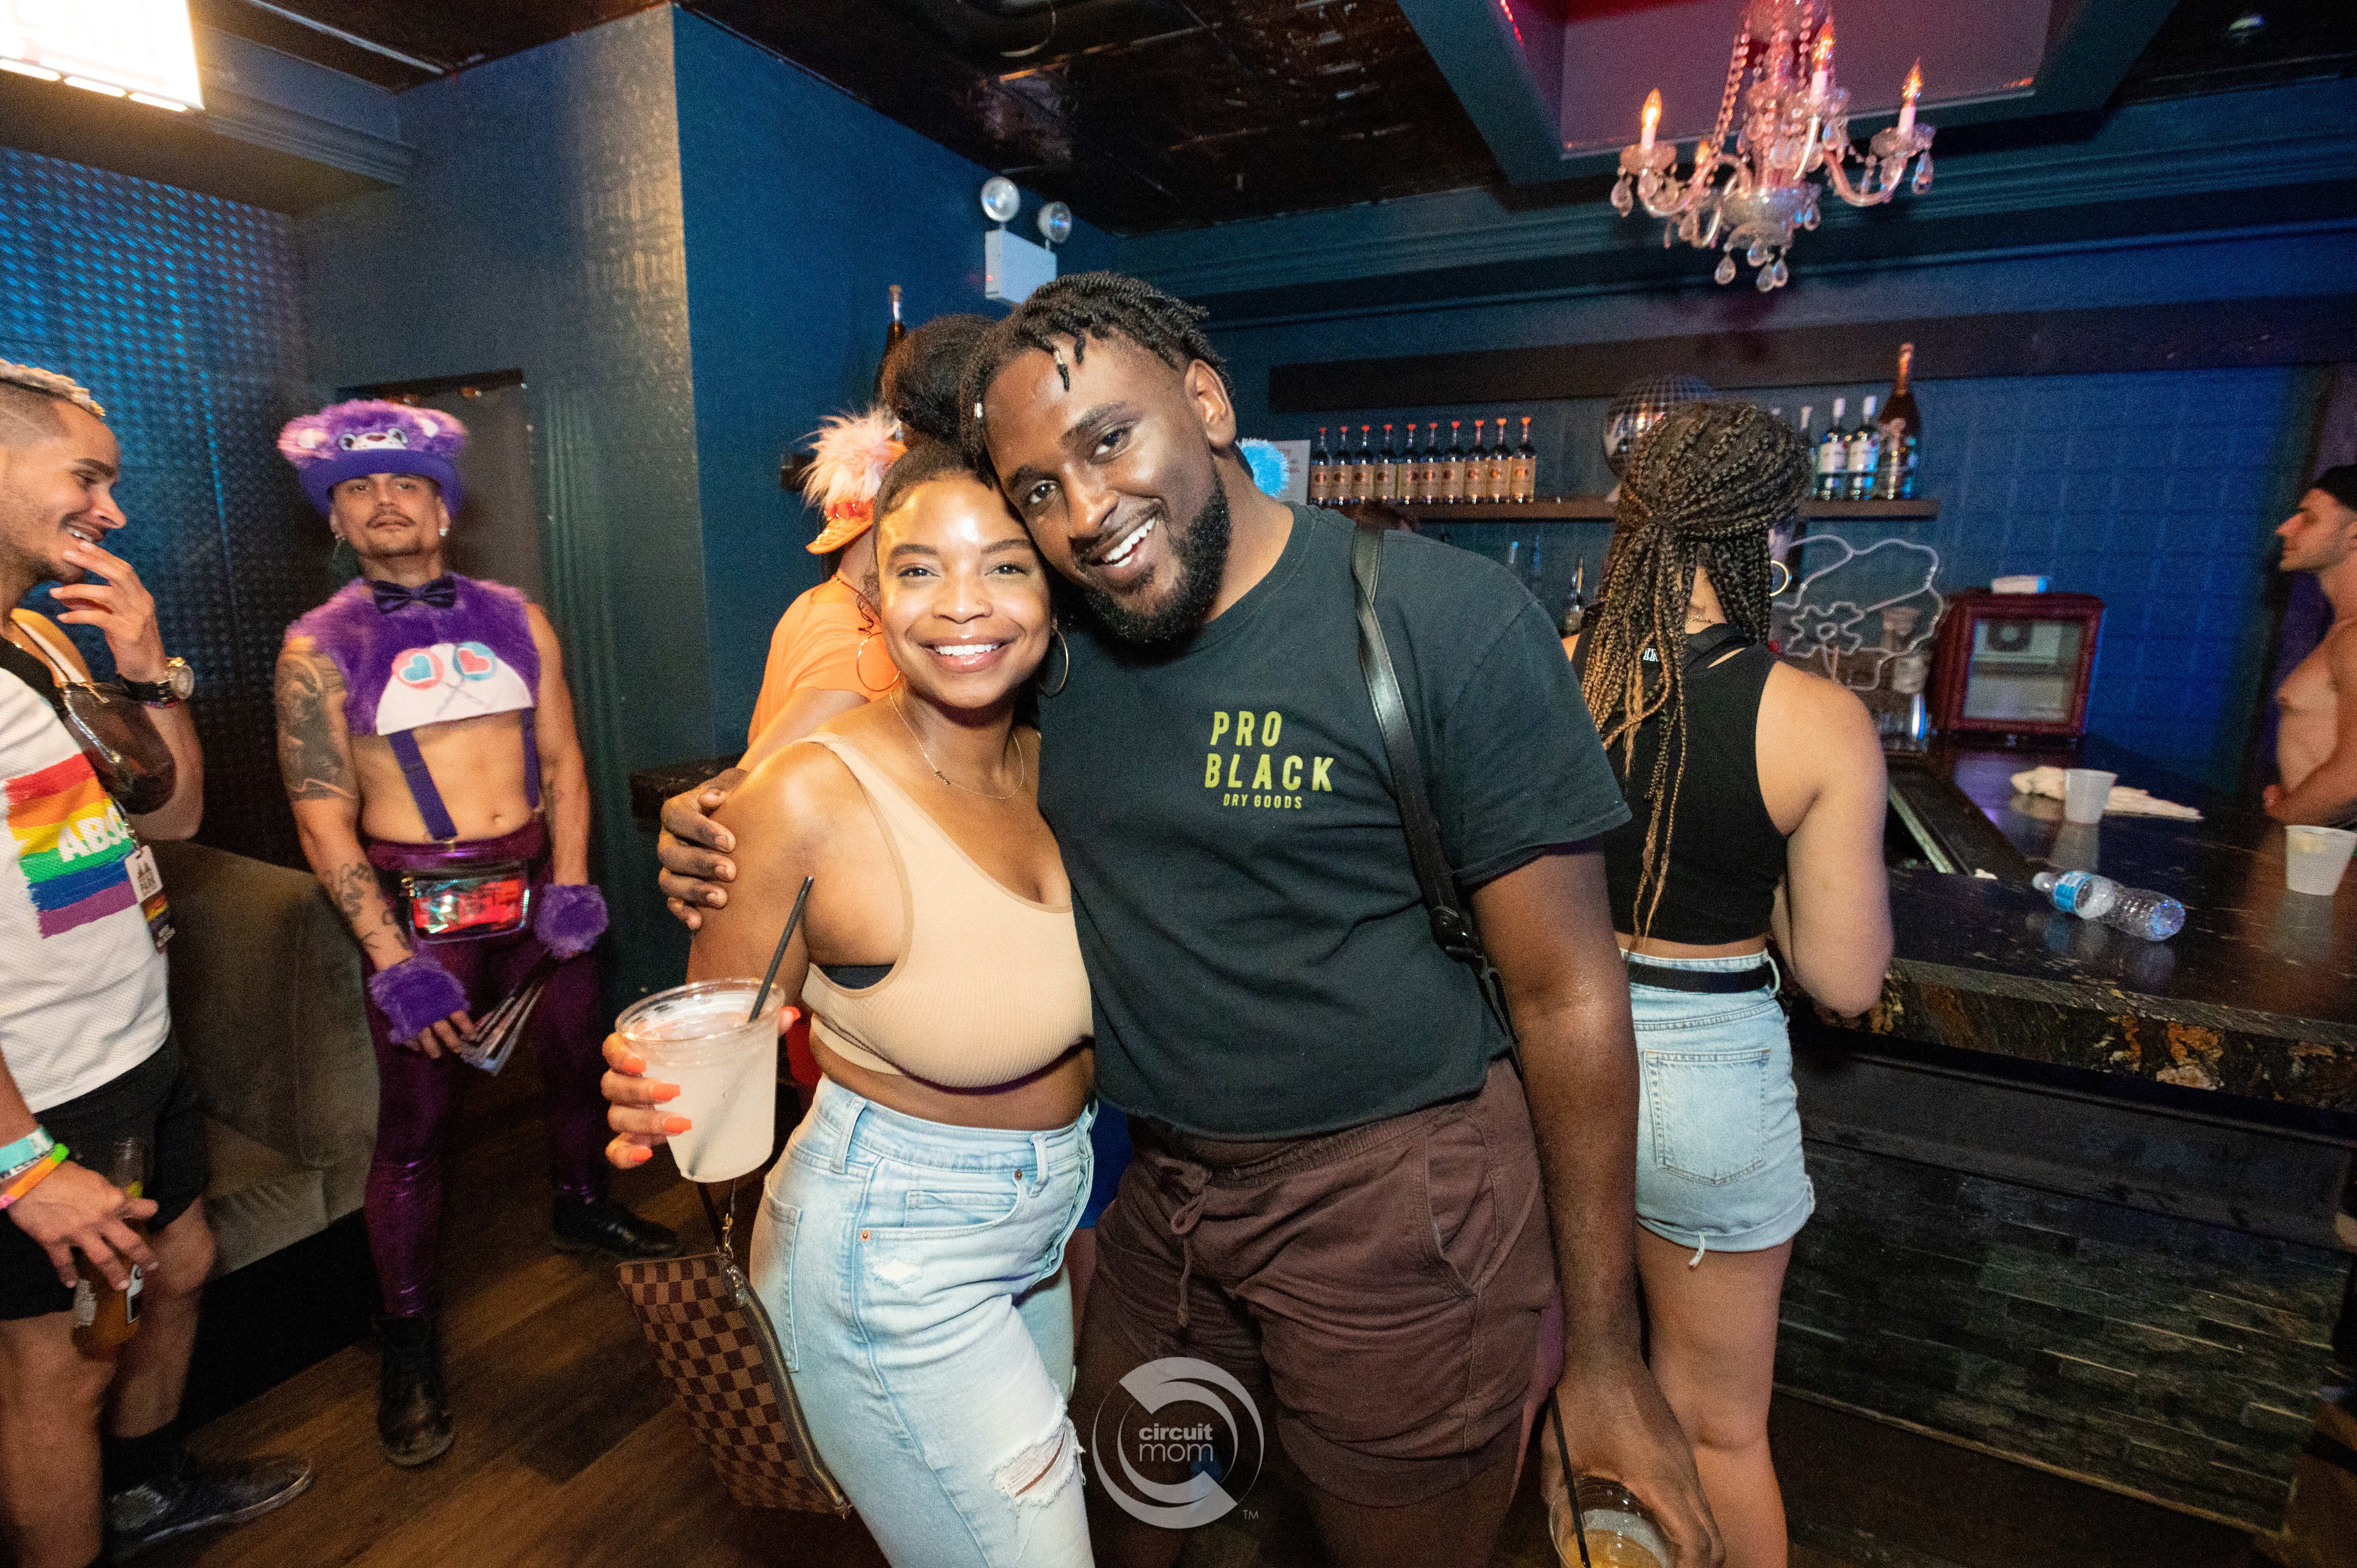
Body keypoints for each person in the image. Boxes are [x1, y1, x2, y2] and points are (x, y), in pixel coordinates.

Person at [657, 272, 1720, 1568]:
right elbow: (903, 728)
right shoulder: (1067, 648)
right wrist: (733, 813)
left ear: (1206, 403)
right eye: (1038, 490)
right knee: (1139, 1512)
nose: (1086, 509)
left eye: (1110, 439)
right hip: (1164, 1207)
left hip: (1398, 1216)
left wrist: (1606, 1356)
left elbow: (1569, 993)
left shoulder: (1440, 622)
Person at [606, 337, 1097, 1568]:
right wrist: (658, 1091)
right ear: (870, 596)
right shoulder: (807, 797)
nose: (963, 604)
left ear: (1055, 588)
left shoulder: (1069, 764)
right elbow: (718, 1043)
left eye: (1004, 565)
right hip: (891, 1257)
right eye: (918, 569)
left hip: (1042, 1228)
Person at [270, 399, 677, 1469]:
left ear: (443, 505)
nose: (384, 502)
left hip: (535, 886)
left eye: (405, 482)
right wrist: (393, 962)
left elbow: (566, 764)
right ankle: (406, 1336)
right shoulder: (318, 647)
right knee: (414, 1129)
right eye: (358, 488)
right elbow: (321, 818)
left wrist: (574, 883)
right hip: (421, 910)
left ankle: (583, 1206)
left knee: (580, 1061)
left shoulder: (517, 617)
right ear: (334, 519)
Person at [1560, 401, 1891, 1568]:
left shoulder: (1553, 676)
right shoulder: (1816, 718)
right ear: (1772, 538)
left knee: (1569, 1384)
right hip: (1703, 1078)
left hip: (1548, 1058)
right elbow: (1844, 979)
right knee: (1716, 1428)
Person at [0, 361, 309, 1568]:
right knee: (61, 1370)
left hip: (130, 1051)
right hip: (37, 1097)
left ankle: (144, 1498)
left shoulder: (34, 633)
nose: (111, 510)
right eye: (87, 477)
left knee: (179, 1265)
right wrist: (23, 1166)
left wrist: (147, 666)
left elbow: (171, 816)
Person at [2264, 465, 2357, 827]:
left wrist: (2281, 821)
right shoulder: (2343, 631)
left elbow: (2351, 780)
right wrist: (2301, 796)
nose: (2285, 528)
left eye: (2309, 518)